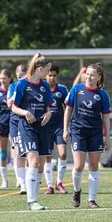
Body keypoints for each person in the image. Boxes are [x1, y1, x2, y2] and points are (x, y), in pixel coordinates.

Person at [63, 63, 111, 209]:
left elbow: (106, 117)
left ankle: (91, 200)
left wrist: (107, 137)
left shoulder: (102, 95)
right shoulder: (76, 89)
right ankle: (77, 191)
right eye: (87, 74)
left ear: (99, 78)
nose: (88, 77)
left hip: (95, 133)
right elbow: (68, 110)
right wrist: (65, 129)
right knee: (78, 166)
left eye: (92, 74)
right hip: (78, 132)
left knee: (93, 166)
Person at [12, 53, 53, 210]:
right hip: (26, 127)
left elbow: (48, 107)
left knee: (40, 165)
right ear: (39, 69)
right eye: (47, 71)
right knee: (34, 161)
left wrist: (48, 114)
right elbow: (14, 107)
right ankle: (31, 201)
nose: (48, 75)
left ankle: (35, 200)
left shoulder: (45, 86)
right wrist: (25, 113)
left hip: (42, 127)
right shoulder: (22, 84)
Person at [43, 65, 69, 195]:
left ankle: (59, 182)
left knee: (63, 153)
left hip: (59, 127)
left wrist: (66, 128)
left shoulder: (63, 89)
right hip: (45, 127)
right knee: (47, 156)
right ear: (45, 75)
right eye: (50, 75)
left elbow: (68, 109)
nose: (52, 78)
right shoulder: (42, 89)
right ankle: (49, 186)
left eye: (54, 75)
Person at [7, 64, 27, 194]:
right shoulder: (13, 87)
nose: (20, 80)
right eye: (19, 77)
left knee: (29, 153)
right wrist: (16, 94)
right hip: (15, 121)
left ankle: (30, 180)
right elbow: (9, 104)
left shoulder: (30, 86)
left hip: (28, 122)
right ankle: (22, 184)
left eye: (23, 77)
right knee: (18, 152)